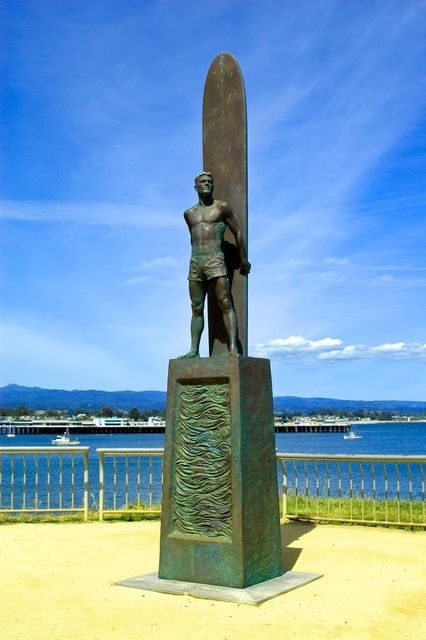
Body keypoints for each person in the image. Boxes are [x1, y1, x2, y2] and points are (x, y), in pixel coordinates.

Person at [179, 172, 250, 358]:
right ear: (195, 187)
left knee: (225, 302)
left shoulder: (222, 208)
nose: (206, 184)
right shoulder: (189, 214)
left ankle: (233, 348)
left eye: (210, 182)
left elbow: (238, 232)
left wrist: (243, 259)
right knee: (196, 307)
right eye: (202, 182)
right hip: (196, 261)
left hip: (215, 259)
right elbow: (193, 239)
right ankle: (194, 350)